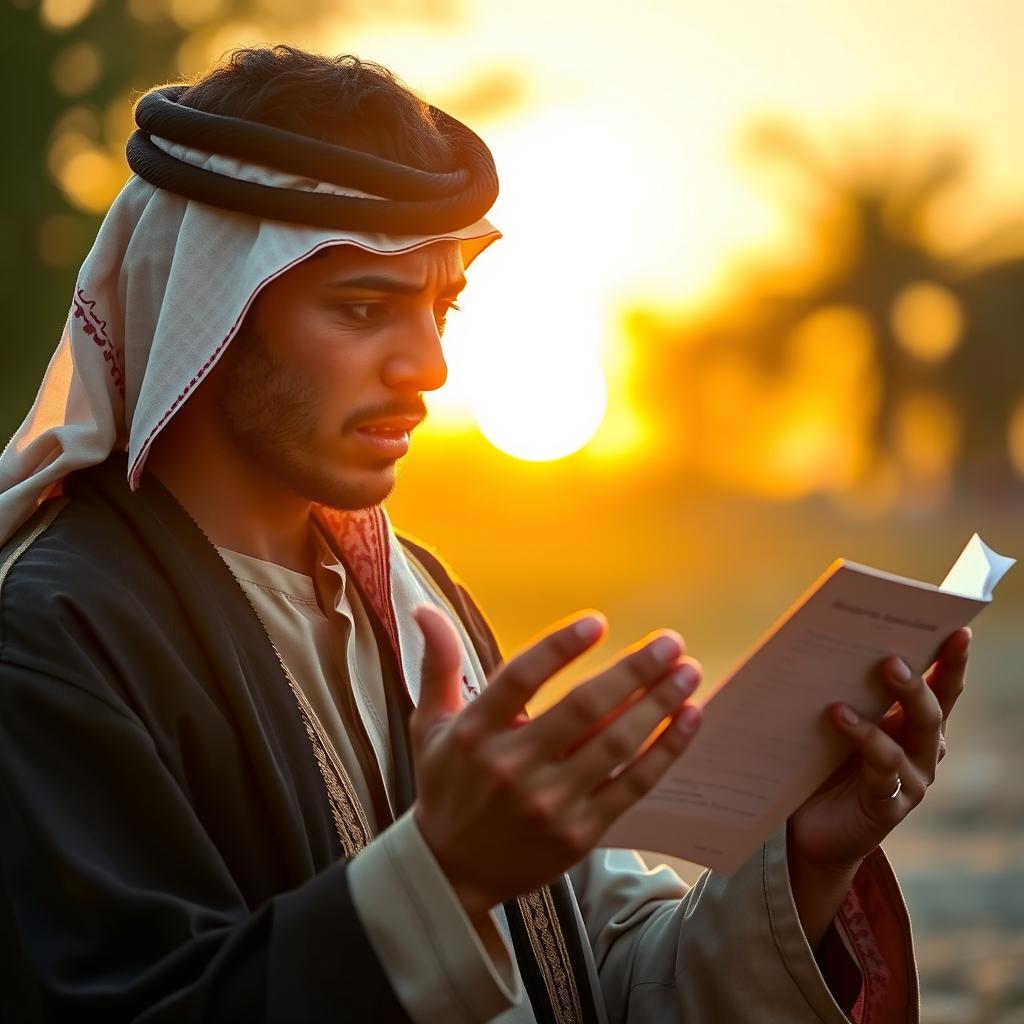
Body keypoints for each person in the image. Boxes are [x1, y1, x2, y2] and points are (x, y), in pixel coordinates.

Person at [0, 45, 967, 1024]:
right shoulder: (59, 634)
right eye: (365, 306)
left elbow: (601, 979)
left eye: (441, 306)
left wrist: (806, 849)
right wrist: (440, 876)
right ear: (210, 311)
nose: (428, 365)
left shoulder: (422, 601)